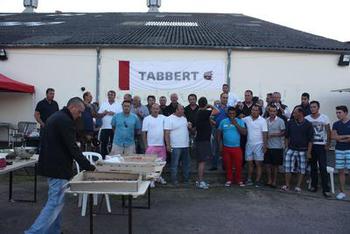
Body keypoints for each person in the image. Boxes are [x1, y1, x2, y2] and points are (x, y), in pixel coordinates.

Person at [25, 97, 95, 234]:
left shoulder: (58, 117)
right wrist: (89, 166)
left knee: (56, 202)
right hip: (57, 167)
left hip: (53, 165)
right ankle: (33, 232)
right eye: (80, 112)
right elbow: (72, 147)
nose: (80, 115)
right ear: (73, 107)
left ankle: (54, 231)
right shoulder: (65, 120)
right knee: (54, 203)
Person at [281, 107, 313, 192]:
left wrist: (309, 152)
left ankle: (298, 186)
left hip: (303, 150)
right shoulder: (290, 122)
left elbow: (310, 140)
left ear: (301, 113)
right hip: (291, 149)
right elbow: (286, 136)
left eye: (295, 113)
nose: (293, 114)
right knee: (287, 167)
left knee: (301, 168)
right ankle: (287, 185)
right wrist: (286, 147)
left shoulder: (308, 124)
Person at [305, 101, 331, 197]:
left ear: (318, 108)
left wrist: (328, 144)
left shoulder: (324, 117)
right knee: (313, 168)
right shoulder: (307, 118)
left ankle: (326, 189)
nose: (312, 109)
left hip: (321, 145)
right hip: (311, 146)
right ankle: (314, 186)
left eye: (314, 107)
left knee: (323, 167)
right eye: (311, 107)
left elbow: (329, 131)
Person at [193, 97, 219, 189]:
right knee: (202, 162)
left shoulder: (199, 113)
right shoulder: (204, 112)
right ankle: (200, 181)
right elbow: (217, 111)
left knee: (200, 161)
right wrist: (210, 106)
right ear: (205, 104)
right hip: (203, 141)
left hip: (201, 140)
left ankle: (199, 180)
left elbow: (209, 121)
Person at [218, 107, 246, 187]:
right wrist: (220, 144)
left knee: (238, 165)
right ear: (227, 114)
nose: (231, 115)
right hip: (226, 147)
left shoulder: (240, 121)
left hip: (236, 147)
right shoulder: (223, 122)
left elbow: (244, 132)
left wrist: (236, 124)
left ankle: (239, 180)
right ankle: (229, 180)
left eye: (233, 113)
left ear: (235, 114)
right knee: (228, 164)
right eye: (230, 113)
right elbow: (219, 134)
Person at [164, 104, 191, 186]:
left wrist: (190, 127)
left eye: (183, 109)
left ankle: (186, 180)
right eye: (181, 109)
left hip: (185, 145)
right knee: (174, 164)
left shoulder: (184, 118)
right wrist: (168, 145)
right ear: (176, 110)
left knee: (186, 164)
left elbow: (186, 130)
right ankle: (174, 181)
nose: (183, 111)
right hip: (175, 146)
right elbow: (166, 133)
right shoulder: (169, 119)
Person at [142, 103, 167, 187]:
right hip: (151, 146)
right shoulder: (146, 119)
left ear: (159, 109)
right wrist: (146, 145)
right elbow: (144, 133)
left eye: (157, 109)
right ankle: (151, 179)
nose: (156, 110)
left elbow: (173, 119)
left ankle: (158, 177)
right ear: (151, 110)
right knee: (150, 164)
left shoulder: (163, 118)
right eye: (154, 108)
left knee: (160, 164)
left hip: (161, 145)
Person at [243, 105, 268, 187]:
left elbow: (265, 133)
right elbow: (239, 120)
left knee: (258, 164)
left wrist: (265, 146)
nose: (254, 111)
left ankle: (257, 180)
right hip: (249, 145)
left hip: (259, 145)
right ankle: (249, 179)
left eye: (256, 110)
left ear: (259, 111)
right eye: (253, 110)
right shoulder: (246, 119)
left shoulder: (263, 121)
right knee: (249, 164)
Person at [332, 105, 350, 200]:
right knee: (341, 171)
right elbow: (334, 137)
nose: (338, 114)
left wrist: (341, 137)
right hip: (339, 150)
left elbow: (340, 137)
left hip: (349, 150)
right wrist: (346, 137)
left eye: (340, 112)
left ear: (346, 113)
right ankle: (342, 192)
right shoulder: (336, 124)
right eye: (337, 113)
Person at [265, 105, 286, 188]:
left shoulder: (280, 121)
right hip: (267, 146)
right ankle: (269, 180)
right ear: (268, 111)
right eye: (271, 111)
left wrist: (274, 134)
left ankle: (274, 181)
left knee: (275, 165)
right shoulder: (265, 120)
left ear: (276, 112)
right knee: (267, 164)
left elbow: (283, 132)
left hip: (277, 146)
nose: (272, 113)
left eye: (274, 111)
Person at [98, 90, 122, 158]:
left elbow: (121, 115)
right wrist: (104, 113)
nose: (110, 96)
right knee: (103, 144)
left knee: (113, 143)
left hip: (114, 128)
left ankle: (113, 157)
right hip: (104, 127)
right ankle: (103, 157)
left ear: (114, 96)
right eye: (109, 95)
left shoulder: (118, 105)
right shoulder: (103, 104)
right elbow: (99, 114)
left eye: (111, 95)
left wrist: (114, 114)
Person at [210, 93, 229, 170]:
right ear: (220, 98)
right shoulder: (215, 108)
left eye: (226, 98)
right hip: (216, 129)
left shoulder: (229, 109)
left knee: (226, 148)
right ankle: (214, 165)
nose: (225, 99)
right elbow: (210, 118)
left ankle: (225, 165)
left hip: (226, 130)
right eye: (224, 97)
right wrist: (214, 123)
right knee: (215, 147)